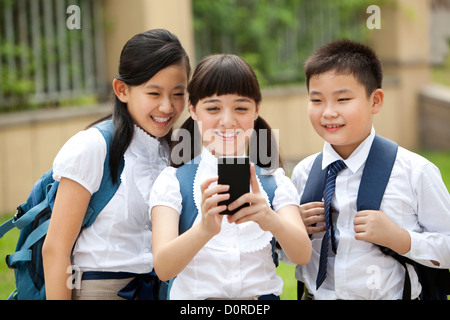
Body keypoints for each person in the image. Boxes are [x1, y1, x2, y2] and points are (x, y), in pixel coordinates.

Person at [291, 39, 450, 300]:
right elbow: (286, 257)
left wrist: (400, 238)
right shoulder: (304, 173)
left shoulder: (414, 172)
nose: (328, 112)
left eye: (342, 99)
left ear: (375, 101)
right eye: (316, 100)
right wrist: (295, 230)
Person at [42, 29, 190, 300]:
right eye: (154, 93)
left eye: (178, 94)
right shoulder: (93, 147)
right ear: (122, 90)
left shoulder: (178, 152)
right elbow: (55, 250)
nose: (167, 107)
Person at [150, 54, 311, 300]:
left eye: (241, 108)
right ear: (193, 109)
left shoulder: (274, 180)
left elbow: (302, 255)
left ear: (256, 110)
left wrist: (269, 219)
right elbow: (163, 268)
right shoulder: (172, 181)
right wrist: (204, 229)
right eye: (213, 108)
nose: (227, 121)